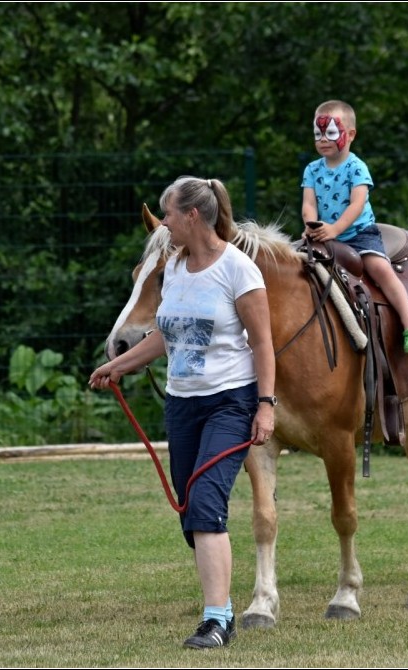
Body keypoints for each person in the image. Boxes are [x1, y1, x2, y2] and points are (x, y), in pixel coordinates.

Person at [88, 176, 276, 649]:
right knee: (190, 512)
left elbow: (264, 344)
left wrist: (266, 406)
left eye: (169, 213)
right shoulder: (173, 269)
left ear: (192, 215)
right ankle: (221, 604)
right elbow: (165, 335)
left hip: (230, 402)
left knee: (207, 505)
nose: (165, 222)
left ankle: (218, 619)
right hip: (182, 405)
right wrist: (118, 365)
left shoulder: (238, 270)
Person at [301, 99, 408, 354]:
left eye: (331, 132)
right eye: (317, 133)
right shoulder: (312, 169)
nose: (323, 139)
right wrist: (310, 225)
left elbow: (357, 204)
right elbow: (308, 204)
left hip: (358, 234)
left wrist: (335, 229)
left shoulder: (356, 167)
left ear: (351, 134)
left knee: (380, 268)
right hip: (323, 235)